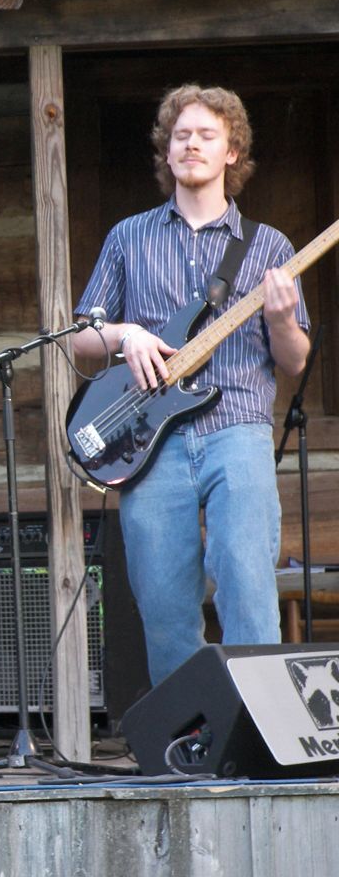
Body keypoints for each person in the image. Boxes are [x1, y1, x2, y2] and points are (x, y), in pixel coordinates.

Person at [72, 84, 309, 686]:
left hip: (238, 431)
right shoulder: (128, 237)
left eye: (207, 135)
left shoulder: (268, 247)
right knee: (165, 605)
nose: (192, 145)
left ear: (232, 151)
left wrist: (281, 318)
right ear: (167, 151)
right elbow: (80, 340)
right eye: (181, 136)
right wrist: (126, 336)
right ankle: (189, 743)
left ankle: (262, 734)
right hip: (152, 443)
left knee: (248, 583)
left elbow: (295, 361)